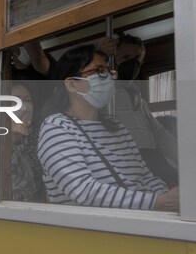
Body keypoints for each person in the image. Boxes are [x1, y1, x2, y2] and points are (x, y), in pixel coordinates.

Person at [38, 44, 178, 211]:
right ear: (72, 84)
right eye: (99, 71)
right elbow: (83, 191)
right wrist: (157, 202)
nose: (109, 78)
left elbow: (145, 176)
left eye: (108, 71)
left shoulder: (117, 127)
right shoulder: (56, 127)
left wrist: (168, 198)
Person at [100, 34, 178, 186]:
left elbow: (161, 135)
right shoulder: (104, 92)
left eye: (137, 58)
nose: (132, 63)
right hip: (125, 167)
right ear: (113, 60)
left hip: (149, 163)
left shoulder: (138, 98)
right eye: (126, 57)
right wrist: (100, 53)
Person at [0, 81, 45, 201]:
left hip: (36, 208)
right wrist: (11, 137)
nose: (24, 106)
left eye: (27, 100)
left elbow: (41, 174)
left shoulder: (38, 135)